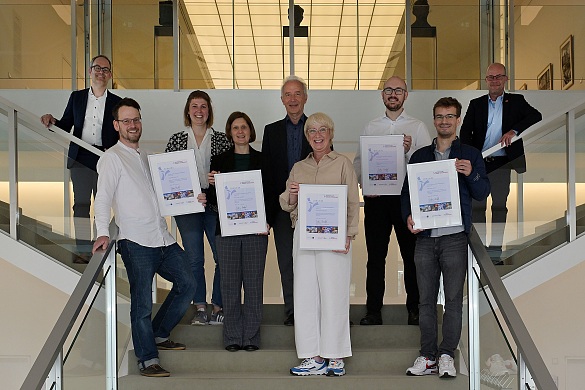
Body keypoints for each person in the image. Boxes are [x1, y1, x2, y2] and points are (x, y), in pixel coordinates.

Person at [92, 98, 199, 377]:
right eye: (126, 121)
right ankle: (147, 359)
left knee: (188, 283)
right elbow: (102, 198)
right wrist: (102, 232)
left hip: (162, 237)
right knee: (140, 303)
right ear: (116, 125)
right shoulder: (111, 158)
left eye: (136, 119)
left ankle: (160, 333)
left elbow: (166, 196)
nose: (133, 125)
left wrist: (191, 198)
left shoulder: (147, 157)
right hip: (135, 241)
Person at [402, 97, 490, 378]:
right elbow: (407, 194)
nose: (444, 121)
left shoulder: (471, 154)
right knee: (425, 300)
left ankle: (446, 355)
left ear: (458, 120)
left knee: (452, 300)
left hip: (454, 238)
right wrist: (408, 217)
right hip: (425, 238)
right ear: (434, 120)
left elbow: (483, 192)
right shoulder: (419, 157)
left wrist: (471, 173)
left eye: (449, 116)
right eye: (439, 116)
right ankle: (427, 356)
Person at [281, 113, 359, 377]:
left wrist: (348, 234)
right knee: (304, 295)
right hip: (303, 236)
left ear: (331, 133)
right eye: (312, 130)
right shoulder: (298, 167)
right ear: (307, 136)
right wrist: (291, 193)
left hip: (334, 237)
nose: (317, 134)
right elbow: (286, 202)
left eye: (322, 129)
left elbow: (351, 201)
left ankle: (335, 355)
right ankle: (312, 356)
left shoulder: (343, 164)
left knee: (334, 293)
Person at [353, 76, 431, 326]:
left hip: (406, 200)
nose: (393, 94)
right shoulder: (370, 127)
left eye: (398, 90)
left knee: (411, 257)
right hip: (377, 201)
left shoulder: (418, 127)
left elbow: (427, 166)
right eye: (389, 90)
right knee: (375, 258)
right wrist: (365, 183)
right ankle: (373, 311)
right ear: (382, 95)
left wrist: (408, 153)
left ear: (406, 95)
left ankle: (415, 310)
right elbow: (358, 162)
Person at [40, 55, 121, 264]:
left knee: (104, 203)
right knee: (82, 205)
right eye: (97, 68)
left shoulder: (117, 103)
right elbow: (66, 125)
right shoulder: (76, 97)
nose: (100, 72)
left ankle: (101, 245)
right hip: (80, 157)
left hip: (105, 157)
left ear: (110, 75)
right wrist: (52, 121)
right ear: (90, 71)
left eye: (105, 69)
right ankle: (83, 250)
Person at [460, 63, 542, 261]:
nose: (494, 80)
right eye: (491, 77)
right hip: (479, 163)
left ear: (505, 79)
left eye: (499, 77)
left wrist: (514, 131)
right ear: (486, 80)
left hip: (502, 162)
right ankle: (479, 252)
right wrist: (471, 157)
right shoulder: (476, 104)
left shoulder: (516, 101)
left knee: (499, 206)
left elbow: (535, 116)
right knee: (477, 206)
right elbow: (464, 133)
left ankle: (495, 251)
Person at [165, 90, 232, 325]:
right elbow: (169, 174)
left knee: (222, 257)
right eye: (194, 106)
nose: (199, 111)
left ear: (209, 111)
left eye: (203, 106)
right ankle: (200, 306)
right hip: (187, 208)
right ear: (188, 110)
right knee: (194, 259)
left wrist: (219, 178)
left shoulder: (222, 139)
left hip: (215, 206)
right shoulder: (176, 139)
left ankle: (218, 305)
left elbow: (230, 173)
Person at [207, 112, 269, 352]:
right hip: (227, 231)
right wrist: (211, 184)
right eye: (235, 128)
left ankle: (251, 337)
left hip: (256, 232)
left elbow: (271, 194)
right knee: (230, 286)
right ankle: (232, 337)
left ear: (250, 131)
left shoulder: (264, 160)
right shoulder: (219, 160)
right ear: (230, 133)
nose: (240, 132)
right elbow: (214, 199)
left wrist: (268, 223)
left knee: (253, 285)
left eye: (244, 127)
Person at [262, 75, 312, 326]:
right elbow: (267, 176)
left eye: (297, 94)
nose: (293, 99)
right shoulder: (271, 131)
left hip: (311, 209)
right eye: (288, 95)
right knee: (286, 262)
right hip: (282, 210)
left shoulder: (316, 129)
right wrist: (268, 216)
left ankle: (310, 310)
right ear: (282, 100)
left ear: (305, 98)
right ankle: (293, 312)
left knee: (310, 261)